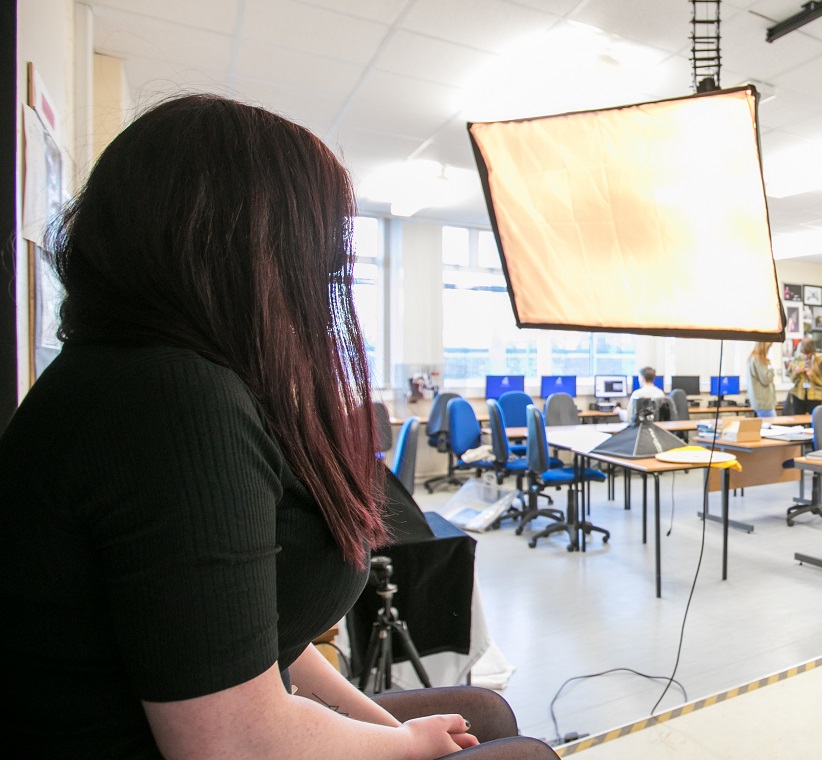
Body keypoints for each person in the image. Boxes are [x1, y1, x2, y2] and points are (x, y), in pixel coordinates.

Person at [0, 95, 555, 759]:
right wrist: (405, 746)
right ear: (238, 248)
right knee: (518, 749)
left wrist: (385, 727)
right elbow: (231, 743)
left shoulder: (138, 374)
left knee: (484, 711)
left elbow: (257, 639)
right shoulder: (173, 399)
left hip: (206, 711)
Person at [786, 339, 822, 416]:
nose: (806, 356)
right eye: (804, 354)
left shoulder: (820, 360)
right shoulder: (798, 359)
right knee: (799, 421)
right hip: (799, 395)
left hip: (815, 396)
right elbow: (792, 380)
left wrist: (813, 376)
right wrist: (796, 372)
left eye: (808, 353)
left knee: (815, 421)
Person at [747, 342, 777, 417]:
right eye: (768, 348)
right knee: (773, 426)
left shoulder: (752, 358)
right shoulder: (758, 359)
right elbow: (766, 380)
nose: (768, 351)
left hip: (761, 403)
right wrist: (770, 366)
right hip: (764, 404)